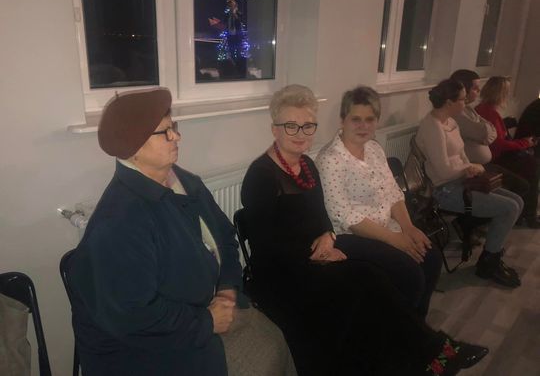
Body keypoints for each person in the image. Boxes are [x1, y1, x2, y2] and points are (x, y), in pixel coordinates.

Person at [241, 84, 488, 376]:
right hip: (283, 271)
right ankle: (434, 353)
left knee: (372, 281)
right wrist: (317, 255)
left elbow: (323, 216)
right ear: (275, 129)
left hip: (318, 253)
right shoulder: (260, 176)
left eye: (308, 126)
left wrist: (328, 236)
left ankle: (419, 355)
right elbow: (265, 246)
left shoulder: (306, 165)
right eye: (290, 126)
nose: (301, 133)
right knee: (366, 278)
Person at [66, 88, 296, 376]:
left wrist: (227, 289)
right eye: (165, 132)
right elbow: (133, 316)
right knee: (263, 359)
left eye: (173, 126)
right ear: (133, 148)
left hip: (206, 309)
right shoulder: (118, 222)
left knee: (274, 339)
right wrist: (207, 321)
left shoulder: (184, 182)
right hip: (149, 351)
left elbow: (225, 237)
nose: (177, 136)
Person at [316, 85, 442, 318]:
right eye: (356, 119)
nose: (363, 126)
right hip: (351, 236)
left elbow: (392, 192)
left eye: (370, 119)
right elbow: (344, 216)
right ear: (342, 120)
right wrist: (395, 240)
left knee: (431, 258)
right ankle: (398, 329)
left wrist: (408, 228)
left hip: (387, 228)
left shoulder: (374, 149)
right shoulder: (330, 159)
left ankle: (416, 326)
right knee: (410, 274)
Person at [415, 79, 522, 288]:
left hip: (462, 181)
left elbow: (462, 155)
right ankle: (488, 263)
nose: (465, 103)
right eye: (462, 100)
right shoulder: (432, 127)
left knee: (517, 201)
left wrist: (470, 167)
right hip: (444, 190)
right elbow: (443, 171)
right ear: (449, 102)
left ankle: (492, 253)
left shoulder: (450, 122)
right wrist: (469, 168)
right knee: (509, 208)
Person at [449, 70, 529, 230]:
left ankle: (484, 222)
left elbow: (490, 132)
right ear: (463, 89)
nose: (478, 92)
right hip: (474, 167)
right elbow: (488, 134)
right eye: (475, 88)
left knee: (522, 185)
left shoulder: (470, 109)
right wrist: (523, 143)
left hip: (482, 164)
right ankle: (468, 223)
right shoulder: (459, 114)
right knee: (518, 189)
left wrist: (487, 131)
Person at [475, 76, 540, 228]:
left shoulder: (485, 109)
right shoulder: (489, 112)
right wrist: (525, 143)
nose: (508, 95)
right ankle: (528, 215)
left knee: (530, 165)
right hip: (496, 158)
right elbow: (499, 144)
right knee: (531, 167)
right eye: (507, 91)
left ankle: (525, 214)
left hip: (498, 154)